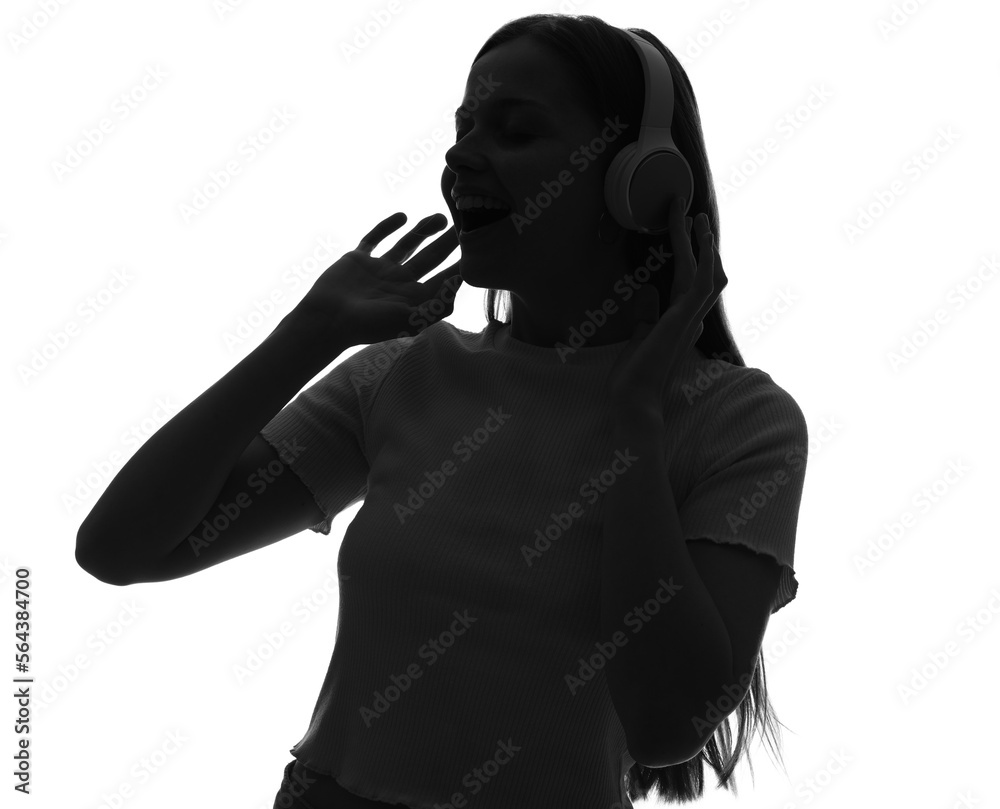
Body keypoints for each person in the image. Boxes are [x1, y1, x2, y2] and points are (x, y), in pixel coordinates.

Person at [76, 13, 808, 809]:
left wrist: (632, 417)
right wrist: (306, 336)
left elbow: (667, 724)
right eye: (462, 127)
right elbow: (119, 547)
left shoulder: (740, 424)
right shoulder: (401, 376)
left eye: (514, 129)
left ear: (640, 180)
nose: (461, 156)